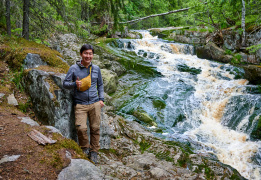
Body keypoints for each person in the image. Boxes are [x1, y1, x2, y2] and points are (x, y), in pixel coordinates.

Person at [63, 44, 104, 164]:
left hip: (95, 103)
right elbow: (65, 83)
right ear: (81, 54)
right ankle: (85, 148)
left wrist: (101, 99)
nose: (88, 56)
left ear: (92, 55)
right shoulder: (74, 68)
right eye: (86, 53)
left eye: (90, 53)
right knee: (81, 128)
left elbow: (100, 85)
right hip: (80, 104)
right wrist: (75, 84)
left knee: (95, 128)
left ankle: (94, 151)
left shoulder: (96, 69)